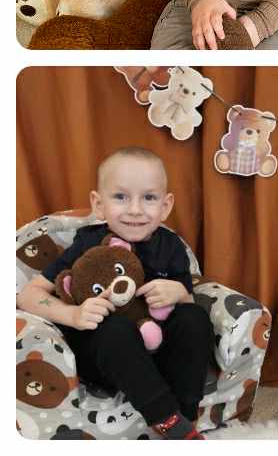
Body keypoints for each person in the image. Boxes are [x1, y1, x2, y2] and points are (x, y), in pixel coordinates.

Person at [17, 147, 213, 440]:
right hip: (105, 356)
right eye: (121, 197)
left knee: (193, 317)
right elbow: (28, 295)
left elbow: (187, 302)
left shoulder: (171, 247)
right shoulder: (89, 244)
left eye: (149, 198)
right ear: (98, 204)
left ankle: (185, 414)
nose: (135, 209)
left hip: (157, 353)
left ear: (166, 206)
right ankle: (167, 419)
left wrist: (178, 293)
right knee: (115, 328)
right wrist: (73, 313)